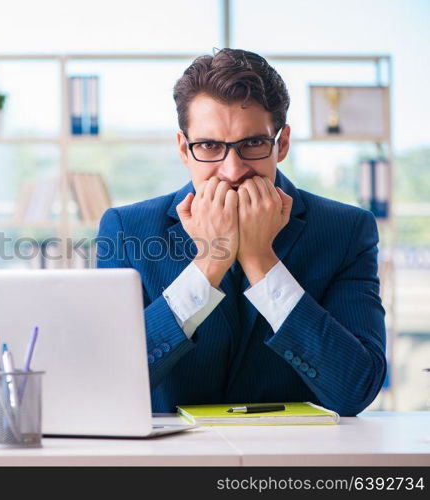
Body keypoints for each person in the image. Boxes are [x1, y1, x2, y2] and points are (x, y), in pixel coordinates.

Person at [96, 48, 386, 416]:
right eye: (209, 146)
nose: (232, 171)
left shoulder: (346, 230)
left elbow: (355, 391)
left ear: (281, 144)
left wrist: (261, 262)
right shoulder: (127, 230)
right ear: (184, 149)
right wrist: (209, 264)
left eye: (252, 143)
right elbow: (107, 381)